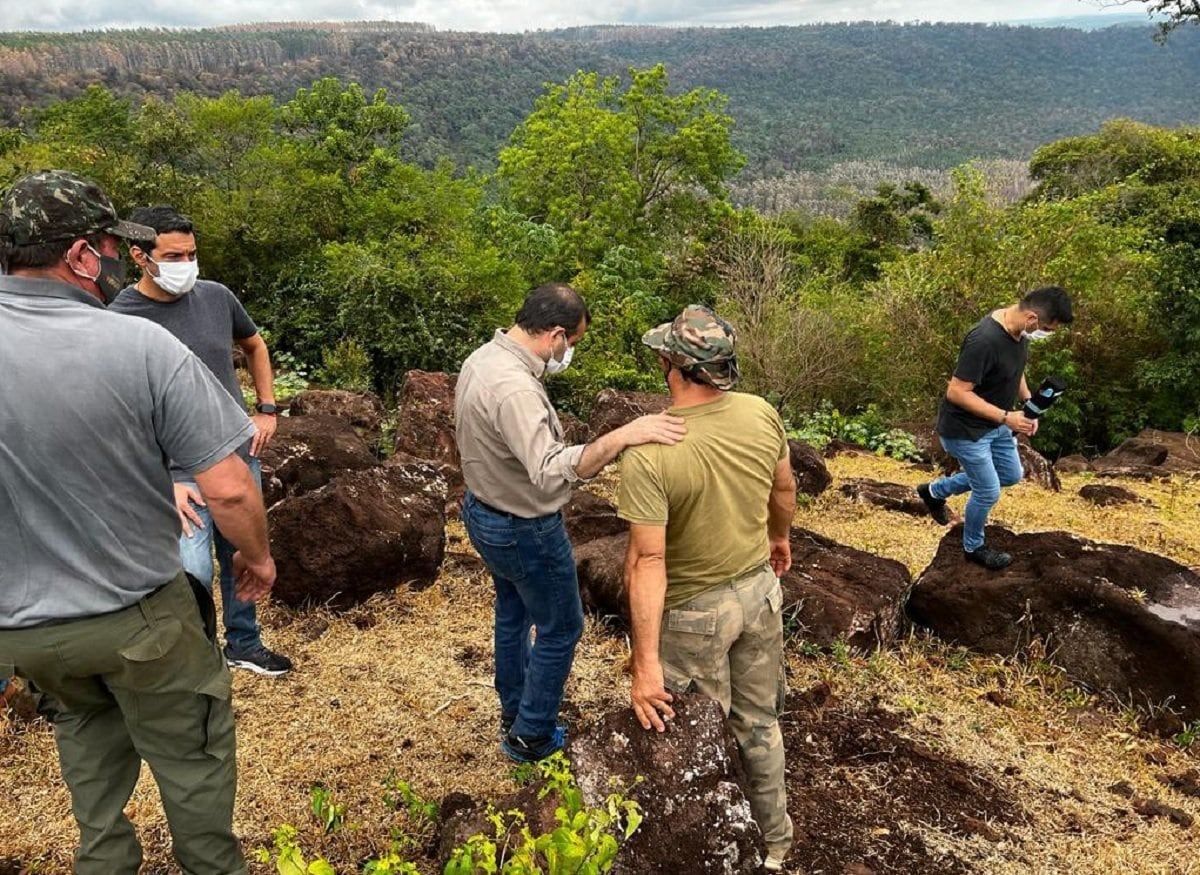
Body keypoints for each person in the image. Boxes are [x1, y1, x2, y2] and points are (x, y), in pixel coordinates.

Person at [0, 170, 275, 875]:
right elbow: (231, 490)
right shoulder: (139, 347)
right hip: (137, 618)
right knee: (194, 755)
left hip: (29, 631)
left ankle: (104, 859)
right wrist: (257, 559)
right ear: (83, 256)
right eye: (108, 246)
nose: (118, 260)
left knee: (87, 738)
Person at [455, 282, 687, 763]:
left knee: (513, 612)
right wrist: (624, 435)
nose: (569, 353)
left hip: (483, 509)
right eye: (572, 344)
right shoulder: (515, 387)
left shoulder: (485, 358)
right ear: (556, 334)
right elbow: (548, 468)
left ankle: (514, 709)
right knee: (561, 627)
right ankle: (531, 735)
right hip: (523, 526)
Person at [619, 304, 797, 873]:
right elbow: (785, 486)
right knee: (760, 722)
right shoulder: (760, 413)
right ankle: (774, 844)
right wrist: (779, 536)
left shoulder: (649, 451)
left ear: (671, 363)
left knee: (693, 737)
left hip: (695, 613)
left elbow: (647, 561)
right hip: (760, 594)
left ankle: (701, 852)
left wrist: (644, 664)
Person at [109, 206, 291, 676]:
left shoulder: (215, 296)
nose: (185, 265)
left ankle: (245, 643)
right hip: (172, 473)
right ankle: (197, 659)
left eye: (191, 254)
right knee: (192, 573)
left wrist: (266, 408)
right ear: (139, 256)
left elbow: (254, 344)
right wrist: (154, 479)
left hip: (236, 453)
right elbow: (114, 411)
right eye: (173, 256)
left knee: (242, 553)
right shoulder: (119, 318)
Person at [917, 286, 1074, 570]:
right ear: (1032, 318)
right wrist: (1006, 417)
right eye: (1048, 329)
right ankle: (973, 547)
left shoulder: (1019, 332)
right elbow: (956, 392)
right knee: (988, 491)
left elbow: (1016, 369)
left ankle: (934, 491)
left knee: (1011, 474)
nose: (1047, 334)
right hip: (965, 430)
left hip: (998, 422)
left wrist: (1029, 403)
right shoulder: (984, 340)